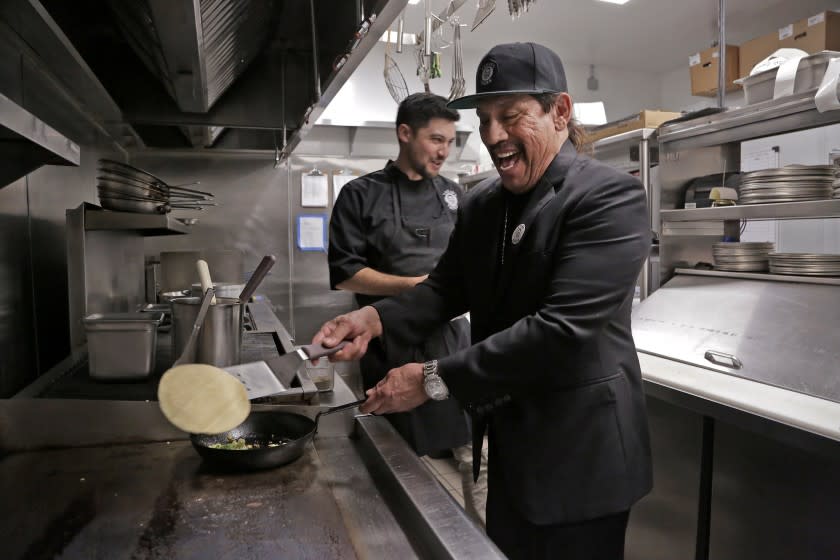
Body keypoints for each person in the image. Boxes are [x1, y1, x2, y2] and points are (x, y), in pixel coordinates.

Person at [314, 43, 654, 559]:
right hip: (513, 448)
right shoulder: (484, 204)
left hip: (582, 458)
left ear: (560, 111)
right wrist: (373, 319)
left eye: (510, 117)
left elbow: (561, 330)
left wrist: (432, 379)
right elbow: (446, 288)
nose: (493, 136)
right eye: (485, 118)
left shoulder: (607, 198)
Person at [327, 92, 487, 525]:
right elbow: (345, 273)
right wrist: (416, 287)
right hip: (390, 346)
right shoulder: (359, 195)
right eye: (436, 139)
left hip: (453, 342)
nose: (443, 151)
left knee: (477, 455)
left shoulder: (455, 196)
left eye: (450, 142)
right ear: (404, 133)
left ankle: (481, 546)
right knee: (397, 458)